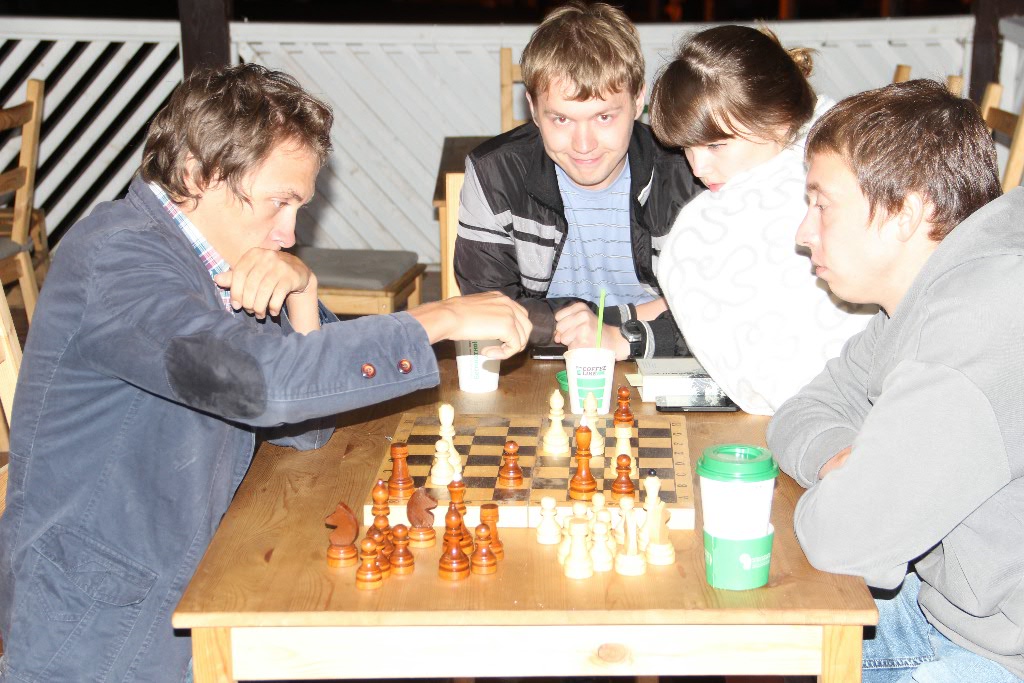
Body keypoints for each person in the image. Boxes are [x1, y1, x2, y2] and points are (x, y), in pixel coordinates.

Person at [0, 63, 531, 682]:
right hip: (100, 632)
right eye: (280, 202)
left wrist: (303, 292)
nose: (290, 231)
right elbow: (266, 386)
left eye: (298, 206)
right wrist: (438, 317)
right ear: (199, 174)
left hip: (196, 580)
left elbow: (304, 426)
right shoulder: (120, 260)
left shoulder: (216, 259)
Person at [767, 79, 1023, 681]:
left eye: (822, 205)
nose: (803, 232)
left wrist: (860, 492)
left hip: (998, 651)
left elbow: (843, 538)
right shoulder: (928, 293)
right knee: (753, 625)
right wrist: (844, 461)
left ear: (906, 213)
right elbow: (802, 411)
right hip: (943, 607)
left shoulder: (977, 327)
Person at [454, 1, 702, 360]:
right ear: (533, 109)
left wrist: (614, 332)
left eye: (603, 117)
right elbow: (488, 311)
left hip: (659, 356)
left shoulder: (688, 171)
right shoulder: (494, 173)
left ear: (638, 100)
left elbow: (721, 310)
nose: (583, 145)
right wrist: (640, 313)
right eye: (561, 119)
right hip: (538, 366)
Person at [649, 25, 874, 415]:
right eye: (687, 148)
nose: (698, 167)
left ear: (780, 122)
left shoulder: (831, 174)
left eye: (716, 145)